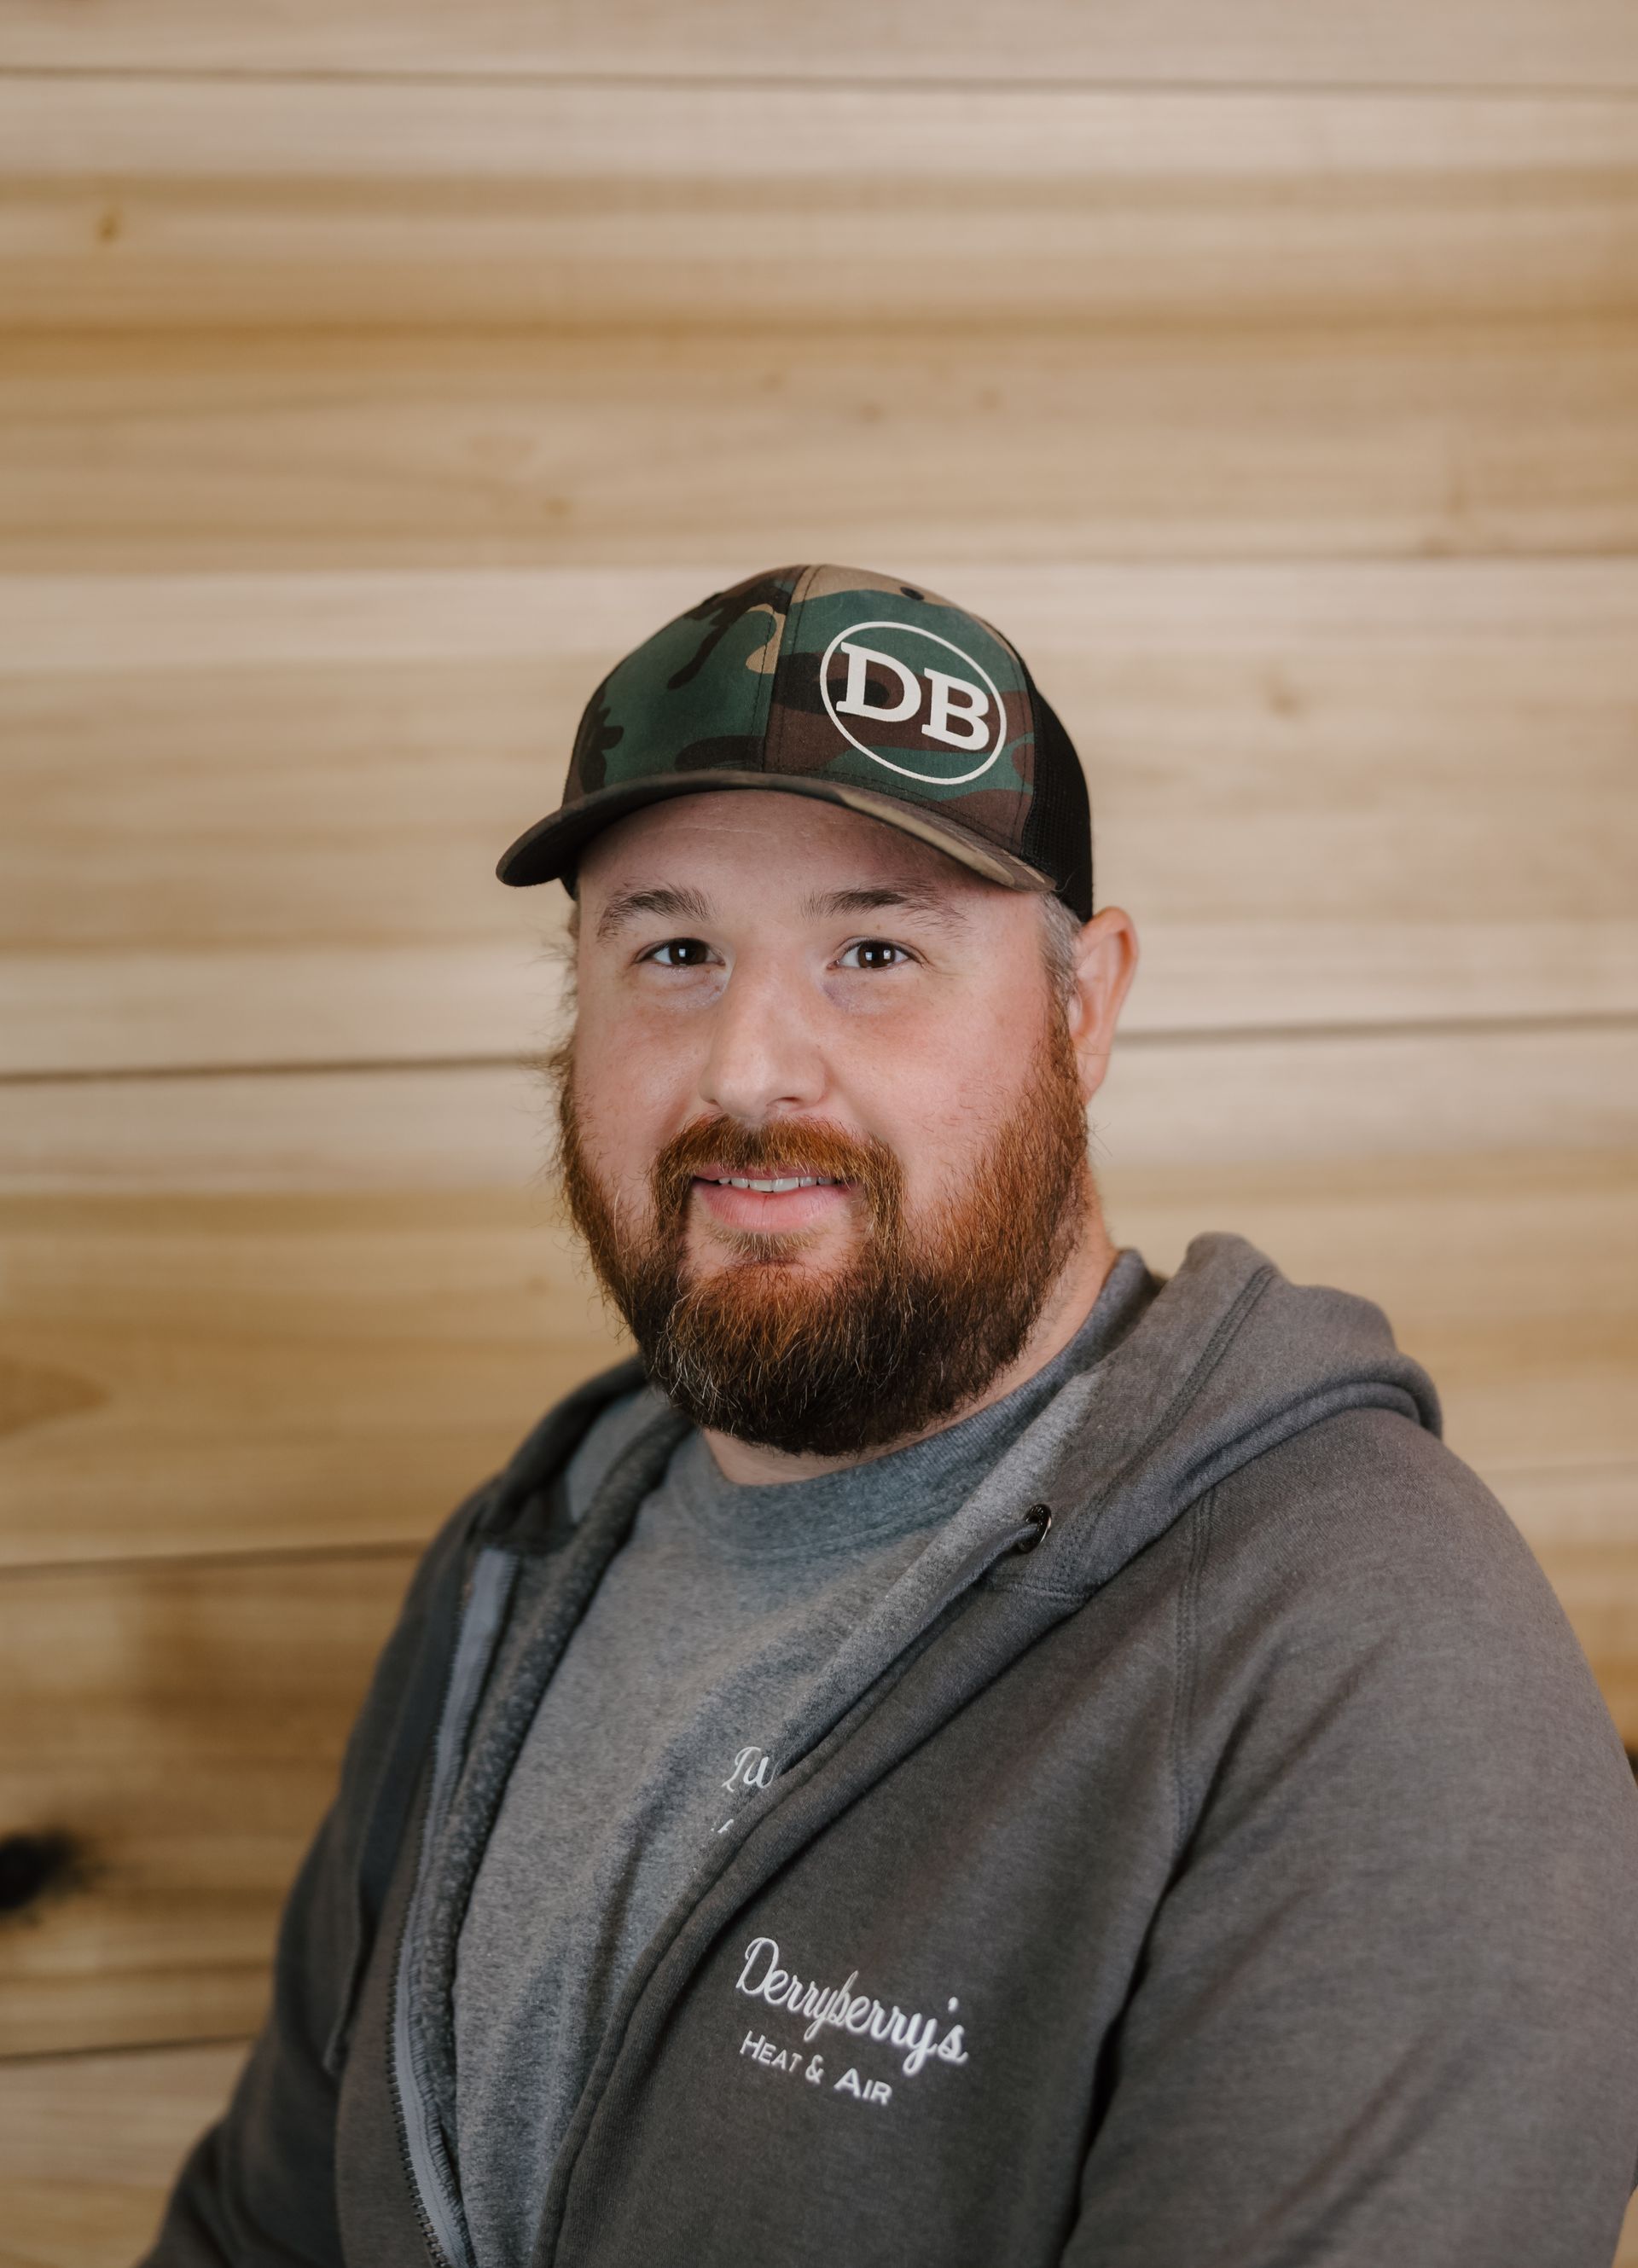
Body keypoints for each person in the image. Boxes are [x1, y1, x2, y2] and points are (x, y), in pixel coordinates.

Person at [144, 565, 1638, 2268]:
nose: (748, 1069)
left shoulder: (1366, 1649)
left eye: (875, 950)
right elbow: (258, 2233)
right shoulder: (524, 1551)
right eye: (677, 949)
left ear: (1085, 1012)